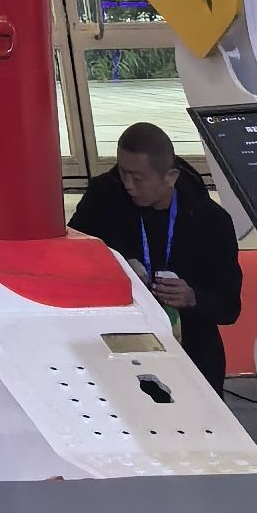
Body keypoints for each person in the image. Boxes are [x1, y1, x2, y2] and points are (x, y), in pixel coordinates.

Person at [72, 120, 244, 396]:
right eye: (122, 172)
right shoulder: (104, 198)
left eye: (138, 178)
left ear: (170, 177)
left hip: (191, 352)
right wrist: (115, 265)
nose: (128, 185)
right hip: (117, 350)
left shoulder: (211, 221)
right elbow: (73, 254)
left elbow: (229, 307)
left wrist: (192, 297)